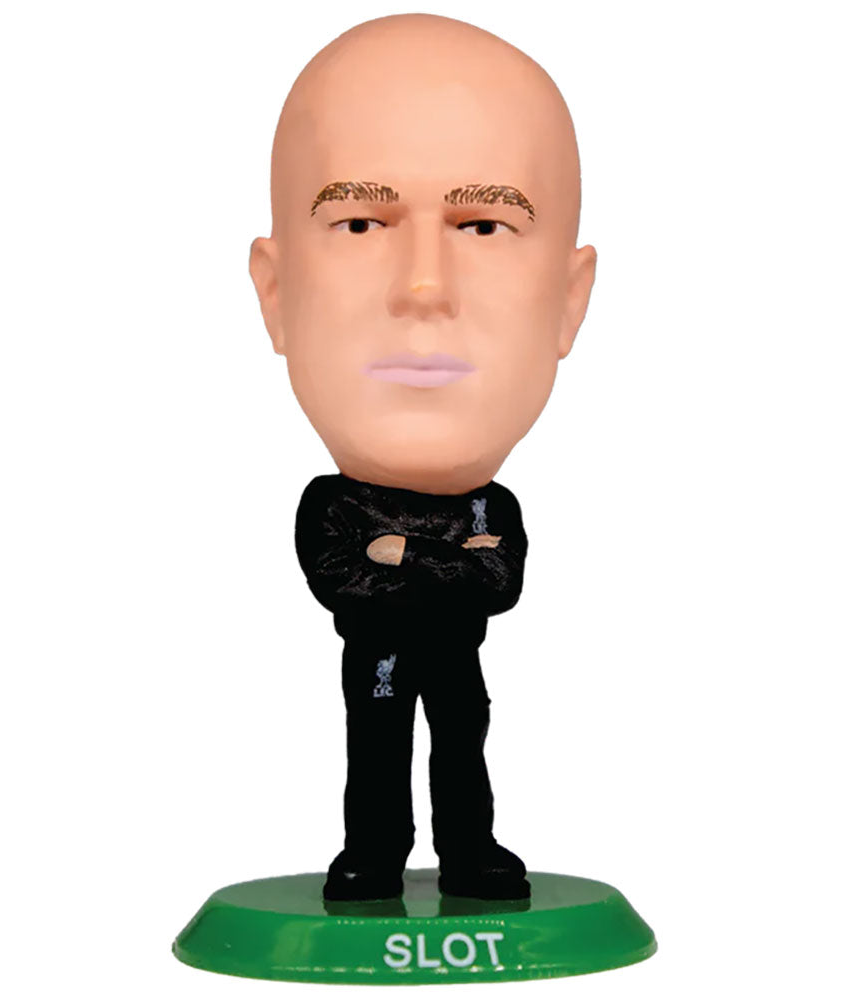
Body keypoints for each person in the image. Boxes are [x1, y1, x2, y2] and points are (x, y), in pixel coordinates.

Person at [248, 13, 597, 900]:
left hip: (455, 659)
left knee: (461, 742)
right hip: (375, 661)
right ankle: (372, 851)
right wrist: (447, 560)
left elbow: (497, 581)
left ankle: (469, 849)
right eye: (360, 223)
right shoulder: (335, 507)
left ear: (569, 302)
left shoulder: (492, 509)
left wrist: (401, 554)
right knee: (376, 745)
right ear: (274, 295)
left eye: (481, 227)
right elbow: (347, 577)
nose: (422, 287)